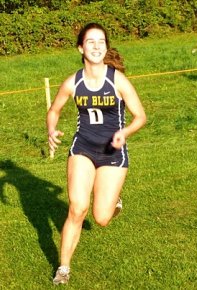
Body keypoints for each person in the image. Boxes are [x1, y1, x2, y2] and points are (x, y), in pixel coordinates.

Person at [47, 22, 147, 285]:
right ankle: (64, 268)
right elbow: (54, 110)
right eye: (90, 41)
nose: (96, 46)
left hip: (113, 154)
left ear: (106, 47)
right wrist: (51, 130)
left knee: (101, 218)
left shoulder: (117, 80)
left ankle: (114, 202)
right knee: (77, 208)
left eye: (100, 41)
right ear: (81, 47)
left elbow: (140, 117)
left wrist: (124, 133)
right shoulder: (73, 82)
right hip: (82, 148)